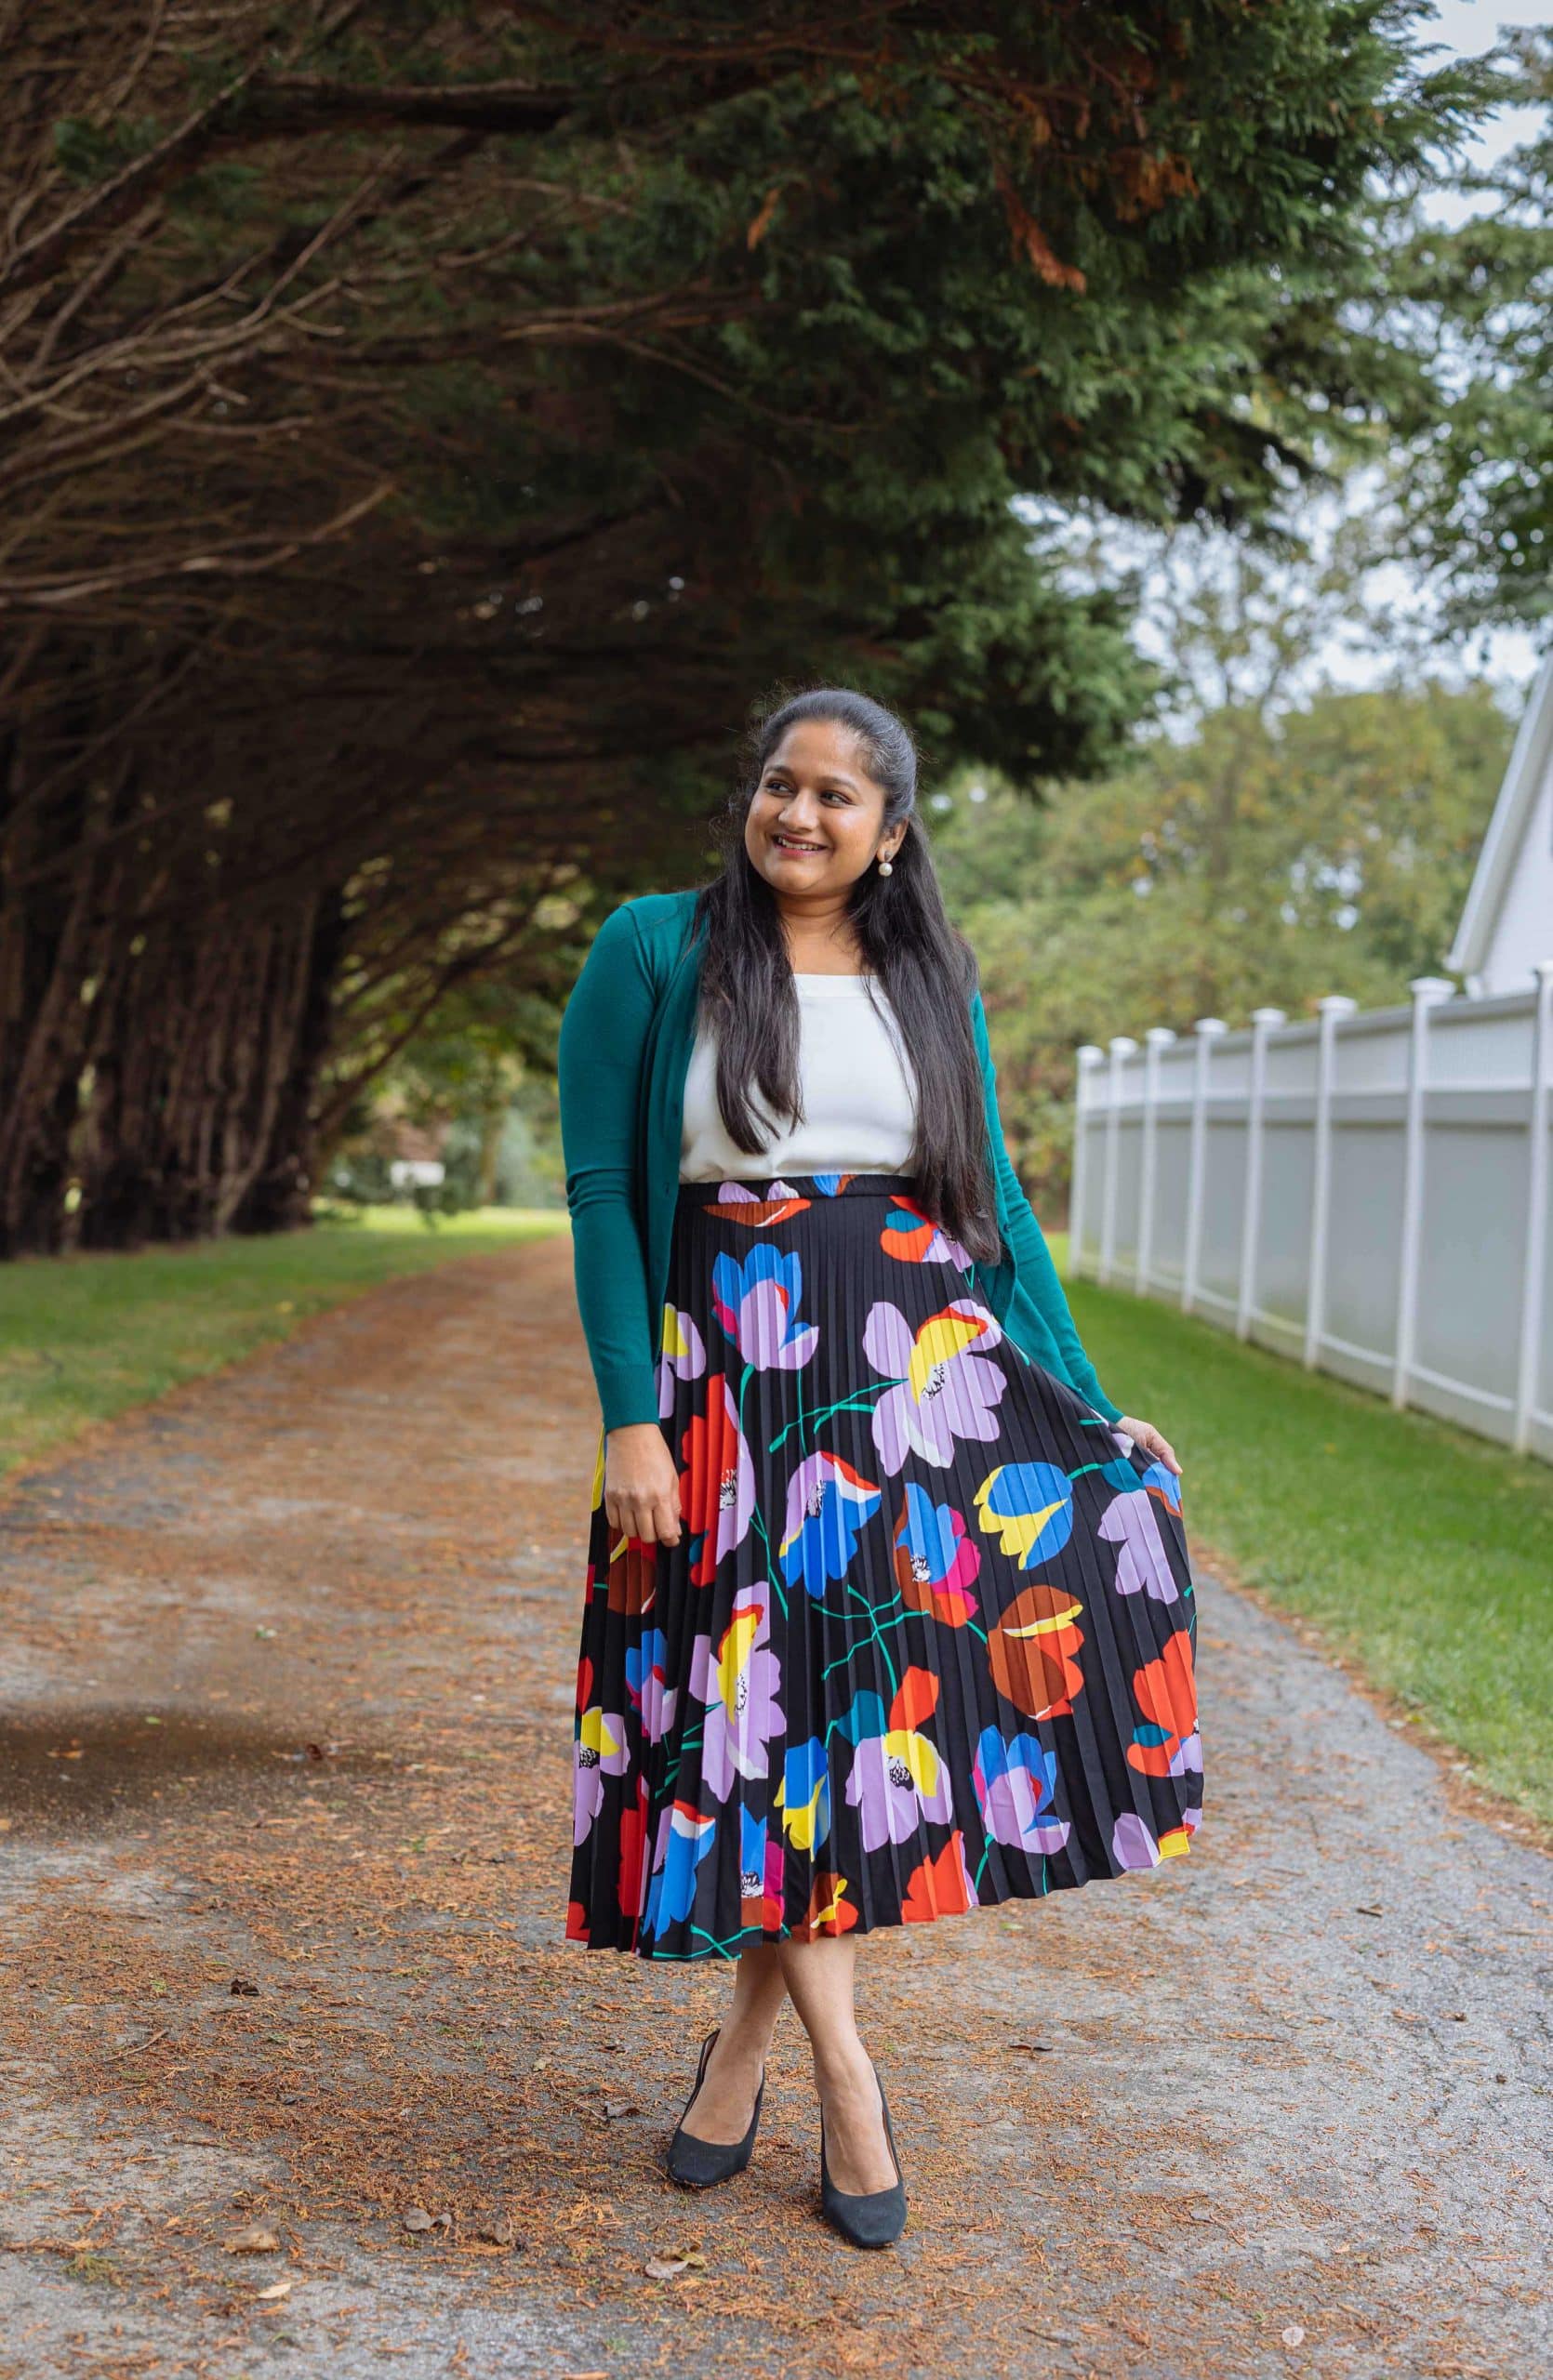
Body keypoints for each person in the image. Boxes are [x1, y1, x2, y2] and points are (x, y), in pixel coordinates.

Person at [557, 686, 1201, 2249]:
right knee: (756, 1727)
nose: (799, 814)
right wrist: (629, 1415)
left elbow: (1001, 1213)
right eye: (780, 784)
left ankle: (746, 2055)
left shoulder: (930, 974)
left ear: (890, 833)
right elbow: (598, 1193)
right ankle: (849, 2076)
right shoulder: (654, 946)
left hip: (908, 1390)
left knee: (838, 1732)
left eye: (837, 797)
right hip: (726, 1378)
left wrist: (1088, 1404)